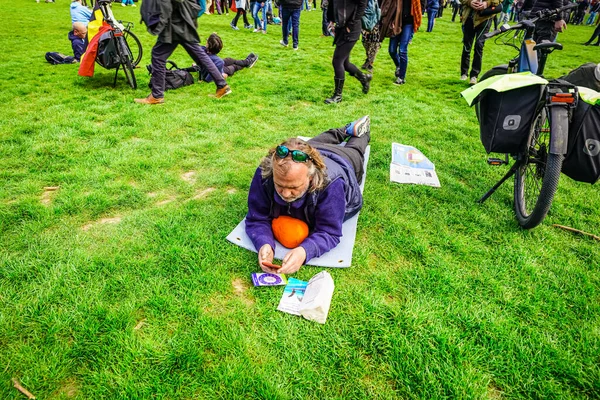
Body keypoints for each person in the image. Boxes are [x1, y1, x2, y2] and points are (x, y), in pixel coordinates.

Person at [246, 116, 371, 275]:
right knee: (311, 144)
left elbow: (329, 232)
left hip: (343, 159)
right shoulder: (266, 171)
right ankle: (345, 129)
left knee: (356, 146)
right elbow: (256, 217)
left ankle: (361, 131)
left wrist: (304, 252)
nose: (285, 193)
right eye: (279, 185)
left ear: (311, 177)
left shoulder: (332, 184)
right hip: (313, 149)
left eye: (293, 187)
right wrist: (264, 244)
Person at [135, 0, 231, 104]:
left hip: (177, 21)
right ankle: (222, 85)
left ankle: (157, 95)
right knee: (199, 55)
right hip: (181, 19)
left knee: (158, 55)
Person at [324, 0, 372, 103]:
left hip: (351, 28)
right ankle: (364, 78)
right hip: (342, 27)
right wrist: (332, 20)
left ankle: (338, 95)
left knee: (337, 61)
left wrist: (351, 23)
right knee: (345, 63)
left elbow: (362, 3)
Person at [380, 0, 425, 85]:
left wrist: (417, 16)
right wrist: (391, 20)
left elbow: (421, 4)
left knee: (402, 50)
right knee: (392, 50)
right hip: (396, 22)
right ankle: (399, 65)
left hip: (408, 23)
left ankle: (401, 77)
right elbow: (391, 7)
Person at [460, 0, 500, 85]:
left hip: (485, 18)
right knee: (467, 46)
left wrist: (487, 3)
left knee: (479, 45)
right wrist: (469, 2)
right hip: (469, 17)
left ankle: (474, 75)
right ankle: (464, 73)